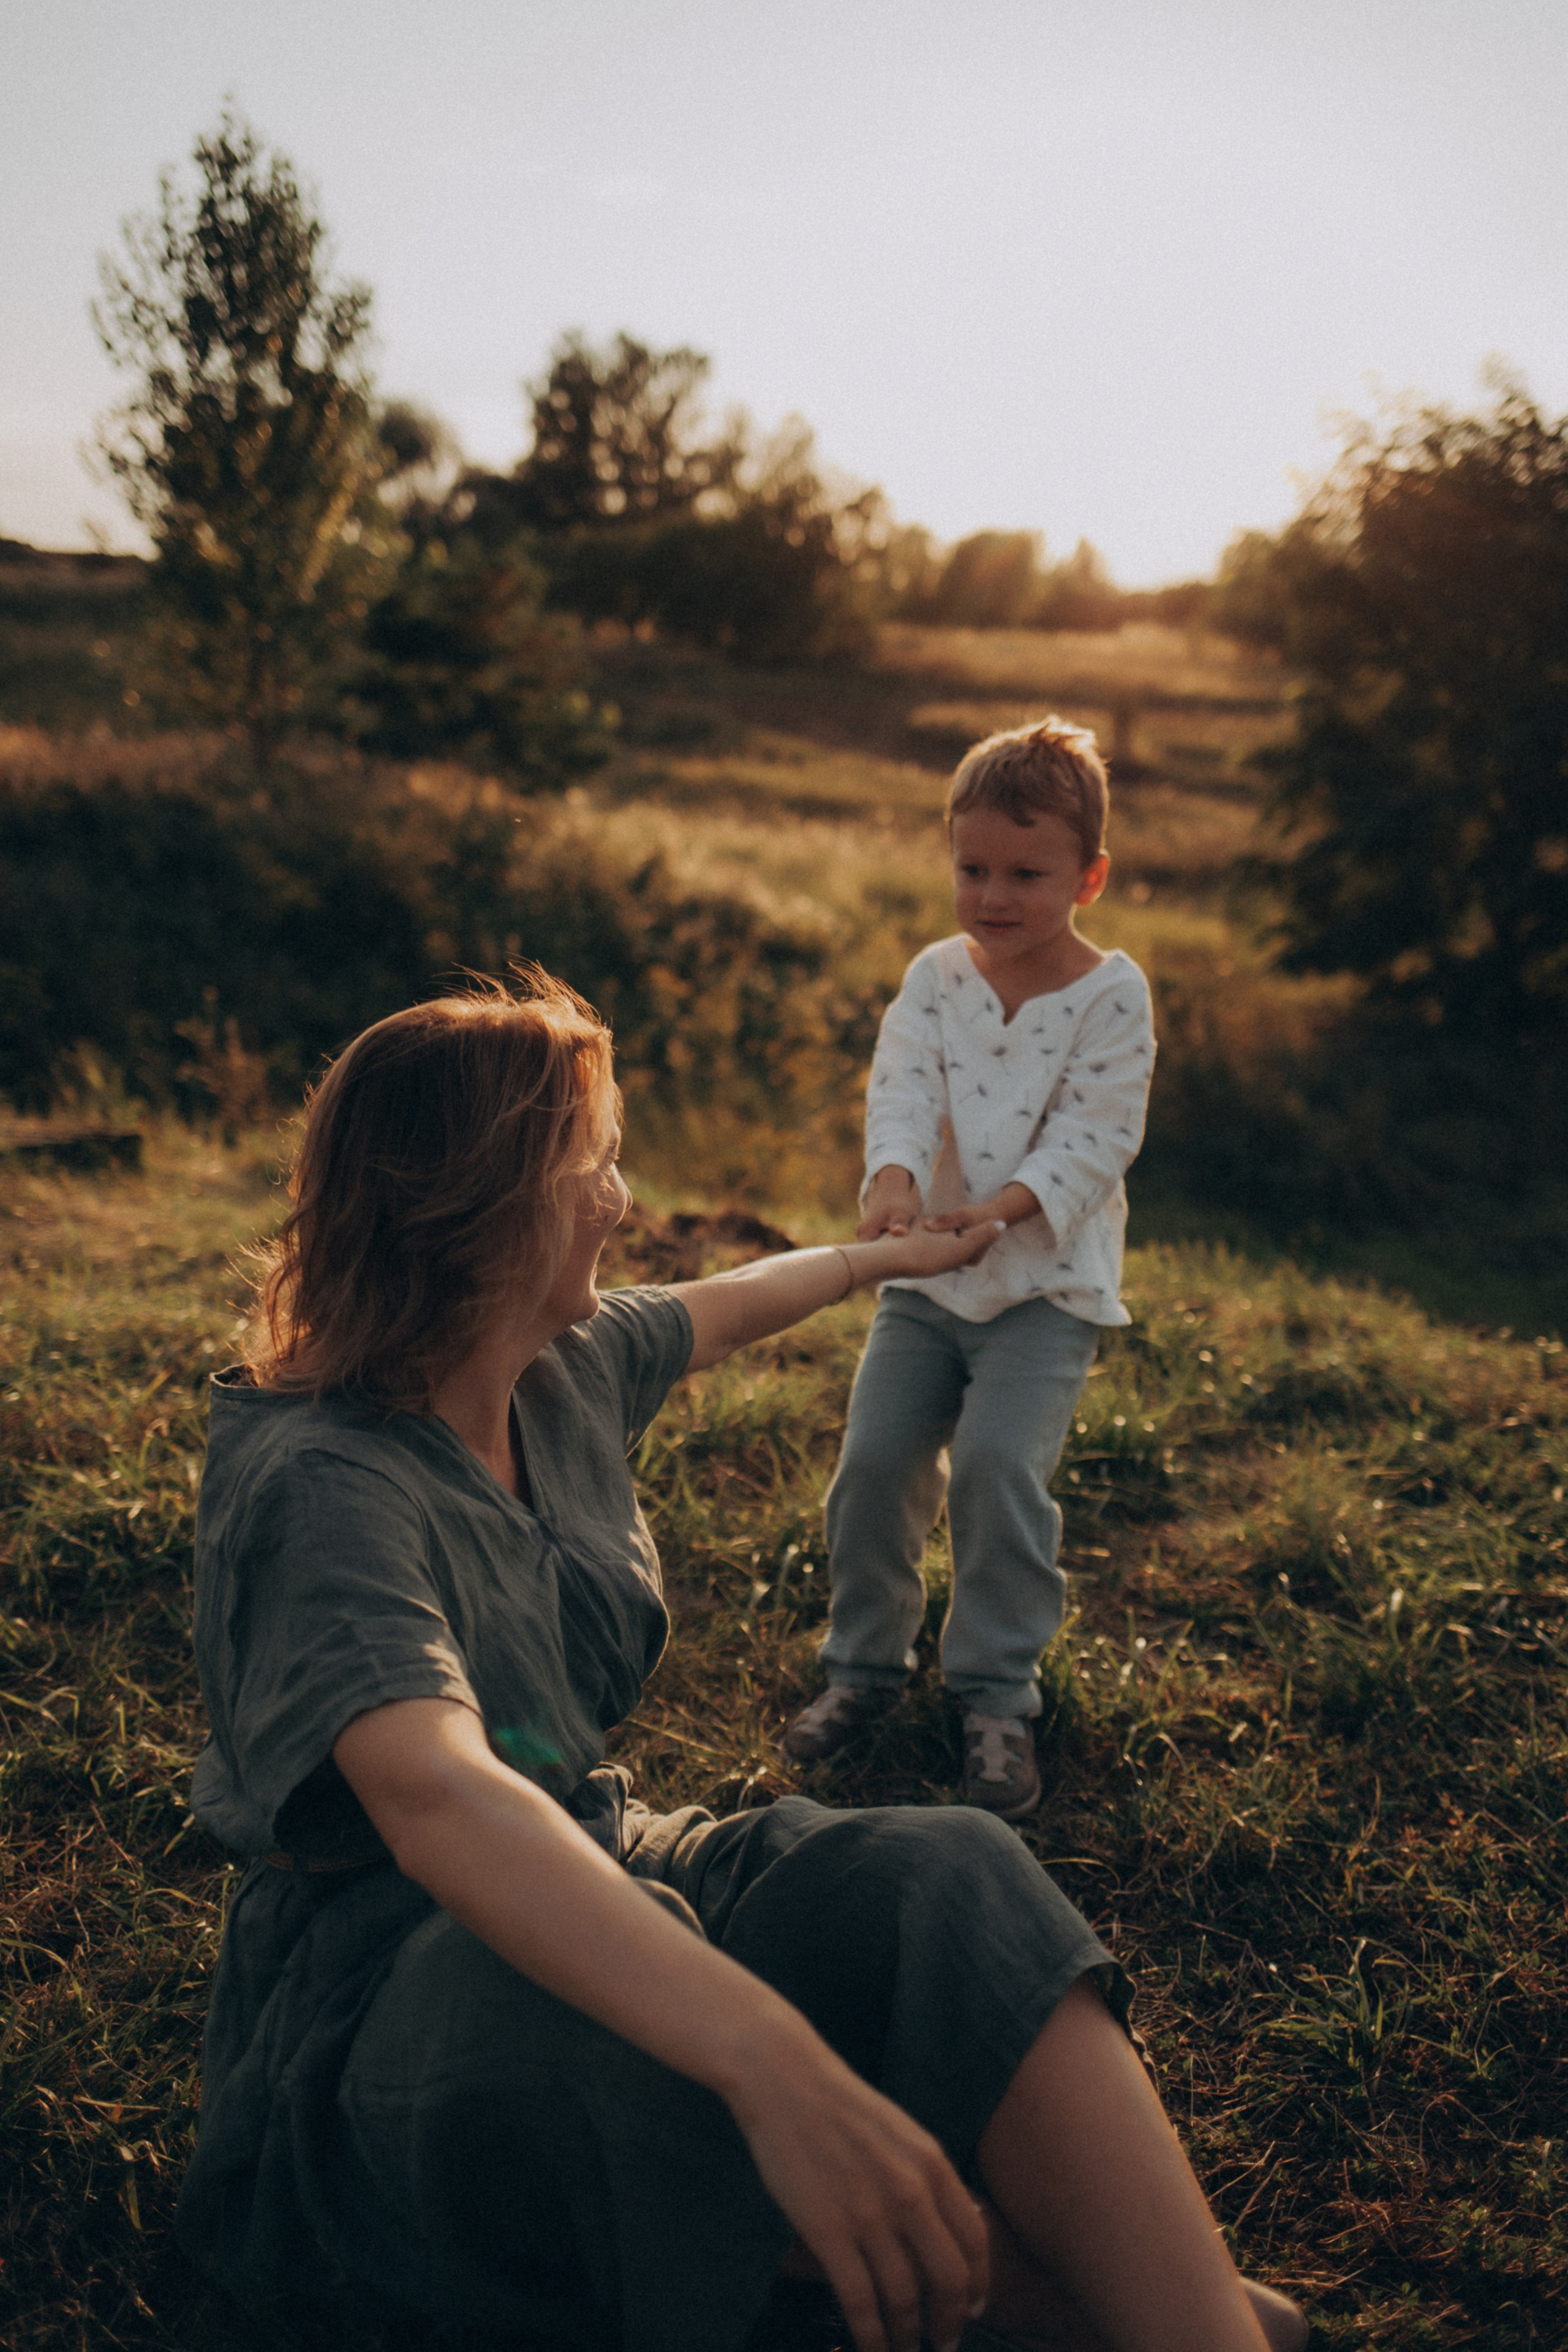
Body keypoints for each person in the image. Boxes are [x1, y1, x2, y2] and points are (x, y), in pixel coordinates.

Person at [175, 973, 1302, 2352]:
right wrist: (772, 2064)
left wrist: (881, 1260)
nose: (623, 1198)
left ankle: (1205, 2334)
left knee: (945, 1871)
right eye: (593, 1166)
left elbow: (729, 1301)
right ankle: (1138, 2313)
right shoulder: (321, 1485)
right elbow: (434, 1797)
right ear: (486, 1204)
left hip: (606, 1854)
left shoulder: (554, 1363)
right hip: (373, 1996)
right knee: (656, 2034)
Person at [782, 718, 1155, 1820]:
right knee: (874, 1464)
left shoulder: (1112, 995)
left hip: (1045, 1287)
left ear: (1089, 875)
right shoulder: (937, 977)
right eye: (972, 869)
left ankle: (997, 1697)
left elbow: (1097, 1135)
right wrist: (894, 1183)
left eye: (1026, 874)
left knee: (997, 1469)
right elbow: (901, 1087)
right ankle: (863, 1672)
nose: (994, 896)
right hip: (925, 1280)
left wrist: (999, 1214)